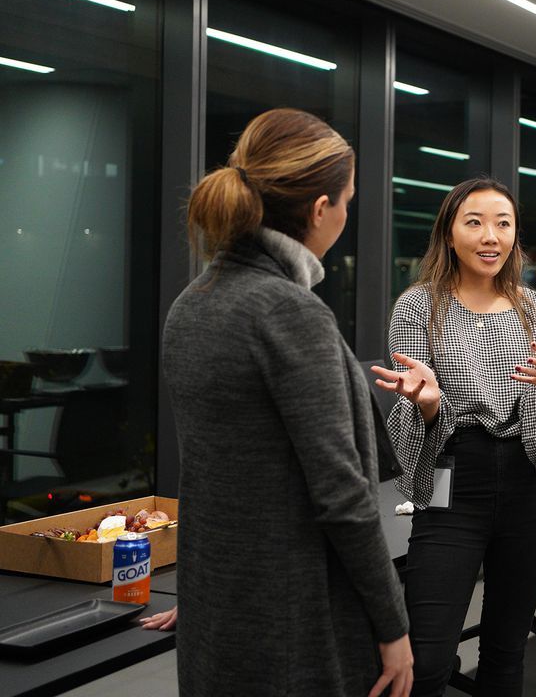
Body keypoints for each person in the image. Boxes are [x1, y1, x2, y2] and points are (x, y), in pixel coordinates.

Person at [161, 108, 413, 697]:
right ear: (320, 209)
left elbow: (211, 474)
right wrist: (392, 623)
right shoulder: (288, 312)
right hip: (294, 618)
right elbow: (342, 495)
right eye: (347, 201)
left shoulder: (192, 303)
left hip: (220, 608)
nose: (347, 214)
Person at [372, 177, 536, 697]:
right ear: (449, 233)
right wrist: (428, 403)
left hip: (527, 480)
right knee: (429, 656)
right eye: (475, 222)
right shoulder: (419, 307)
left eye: (503, 224)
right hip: (454, 479)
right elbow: (410, 415)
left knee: (507, 650)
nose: (491, 236)